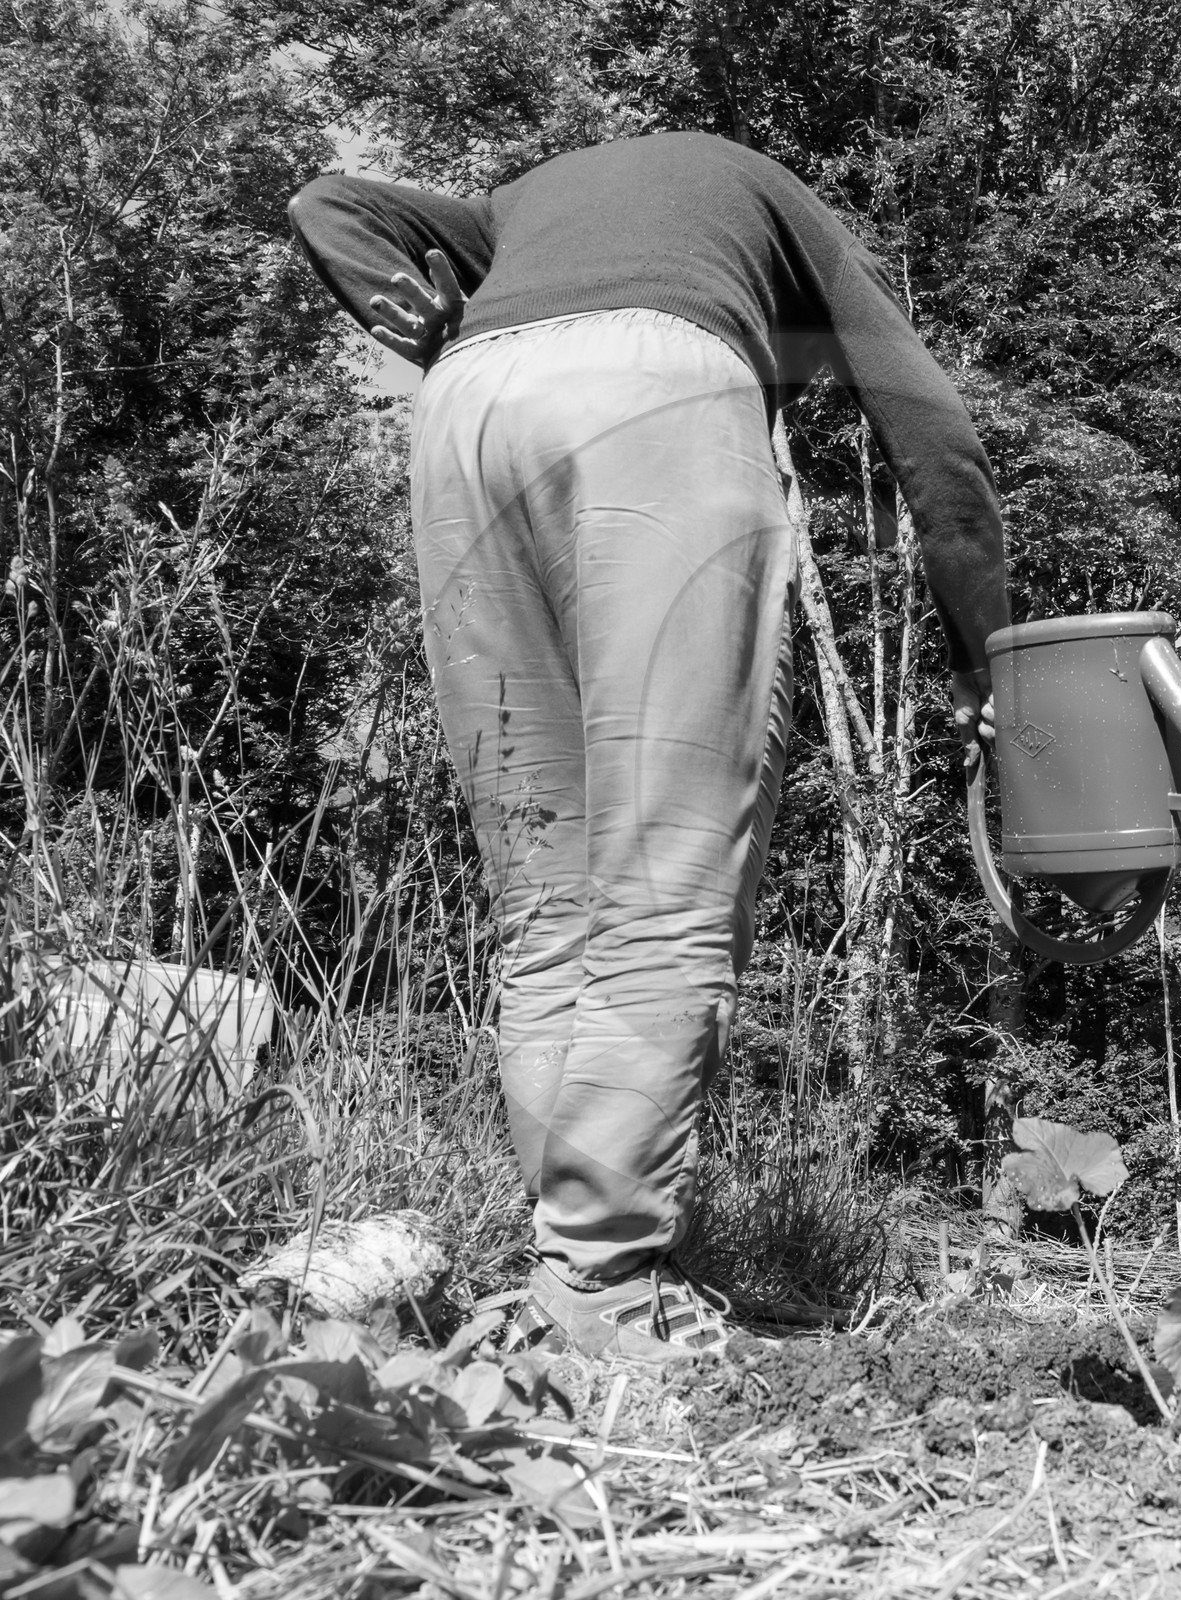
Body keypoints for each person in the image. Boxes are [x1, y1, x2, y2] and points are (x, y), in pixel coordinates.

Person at [287, 132, 1009, 1363]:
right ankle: (601, 1286)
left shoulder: (527, 204)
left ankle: (574, 1248)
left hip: (466, 410)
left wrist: (404, 311)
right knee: (666, 872)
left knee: (547, 890)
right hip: (654, 409)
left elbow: (327, 201)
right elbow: (934, 442)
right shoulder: (783, 200)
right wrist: (984, 657)